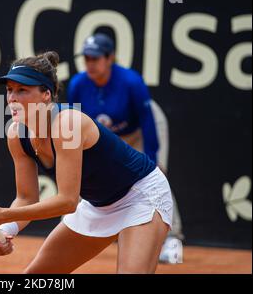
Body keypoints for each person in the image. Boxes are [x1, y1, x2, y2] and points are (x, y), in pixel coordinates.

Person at [0, 51, 174, 273]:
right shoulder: (16, 135)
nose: (12, 99)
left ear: (46, 94)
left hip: (140, 196)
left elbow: (68, 202)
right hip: (97, 205)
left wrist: (2, 215)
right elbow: (26, 197)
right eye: (9, 90)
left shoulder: (67, 124)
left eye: (22, 90)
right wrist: (5, 229)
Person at [68, 33, 184, 263]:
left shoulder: (131, 81)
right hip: (108, 138)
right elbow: (72, 124)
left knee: (155, 179)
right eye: (87, 58)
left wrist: (152, 159)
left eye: (95, 58)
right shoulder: (78, 84)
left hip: (140, 130)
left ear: (110, 58)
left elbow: (147, 120)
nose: (89, 63)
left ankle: (173, 238)